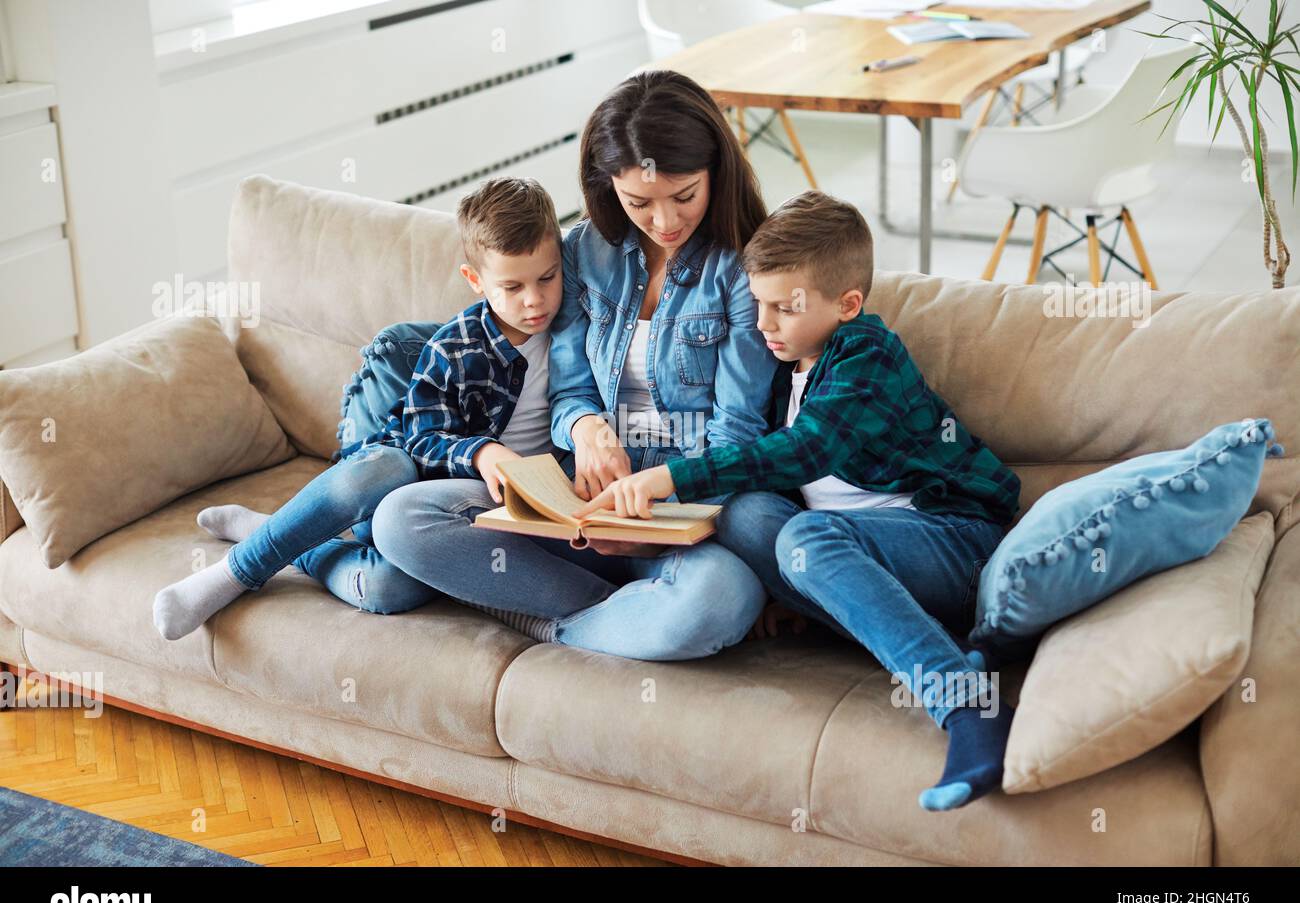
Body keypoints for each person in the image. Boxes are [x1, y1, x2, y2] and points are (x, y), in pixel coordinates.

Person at [576, 190, 1023, 810]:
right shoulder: (791, 361)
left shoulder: (867, 354)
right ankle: (866, 621)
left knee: (806, 537)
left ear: (848, 304)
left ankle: (966, 704)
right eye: (758, 304)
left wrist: (668, 479)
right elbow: (771, 476)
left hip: (953, 543)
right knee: (746, 511)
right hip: (866, 555)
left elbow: (805, 451)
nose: (763, 325)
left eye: (784, 308)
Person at [369, 70, 779, 661]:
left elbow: (736, 433)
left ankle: (555, 624)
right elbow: (569, 393)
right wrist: (587, 431)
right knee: (403, 517)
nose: (664, 222)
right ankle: (617, 612)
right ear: (606, 185)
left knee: (723, 597)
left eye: (684, 195)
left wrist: (651, 504)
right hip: (580, 499)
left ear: (716, 169)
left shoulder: (743, 269)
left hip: (680, 510)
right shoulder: (583, 252)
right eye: (639, 202)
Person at [151, 176, 563, 639]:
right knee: (383, 466)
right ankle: (234, 572)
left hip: (466, 517)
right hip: (404, 484)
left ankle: (283, 536)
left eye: (547, 277)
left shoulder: (579, 329)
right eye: (512, 287)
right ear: (475, 281)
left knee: (389, 589)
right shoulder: (454, 347)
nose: (535, 299)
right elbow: (423, 438)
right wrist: (482, 453)